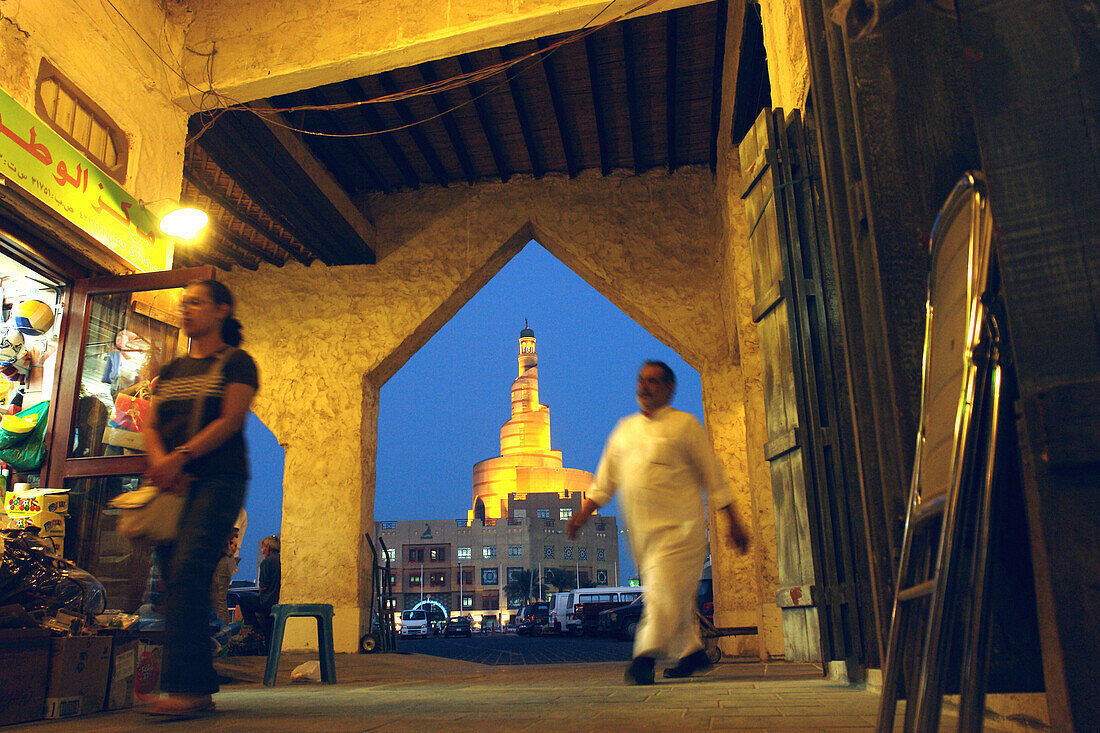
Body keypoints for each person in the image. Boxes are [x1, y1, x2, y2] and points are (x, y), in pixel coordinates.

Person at [566, 360, 750, 686]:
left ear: (668, 389)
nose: (644, 386)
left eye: (652, 381)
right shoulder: (625, 430)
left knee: (663, 595)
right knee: (667, 595)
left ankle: (643, 657)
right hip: (643, 537)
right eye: (641, 380)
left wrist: (733, 521)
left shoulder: (685, 426)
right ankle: (691, 653)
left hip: (681, 532)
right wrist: (580, 516)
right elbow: (604, 483)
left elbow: (714, 476)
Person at [142, 280, 258, 717]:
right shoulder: (171, 372)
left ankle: (184, 689)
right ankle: (199, 687)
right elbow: (151, 425)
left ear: (222, 310)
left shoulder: (237, 363)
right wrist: (162, 464)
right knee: (173, 580)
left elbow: (230, 420)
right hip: (172, 483)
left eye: (196, 303)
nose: (186, 310)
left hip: (218, 480)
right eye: (183, 303)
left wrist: (181, 458)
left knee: (190, 570)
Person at [237, 534, 281, 646]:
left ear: (268, 548)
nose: (262, 551)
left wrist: (261, 597)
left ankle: (254, 627)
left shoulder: (267, 562)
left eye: (264, 548)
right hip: (277, 601)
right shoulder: (281, 560)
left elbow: (263, 586)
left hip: (267, 602)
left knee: (244, 599)